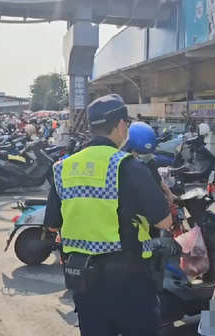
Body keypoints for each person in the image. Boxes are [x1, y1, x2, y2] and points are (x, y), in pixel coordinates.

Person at [42, 94, 174, 336]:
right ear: (121, 126)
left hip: (83, 279)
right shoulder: (128, 165)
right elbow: (164, 220)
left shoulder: (62, 167)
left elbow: (51, 225)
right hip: (129, 278)